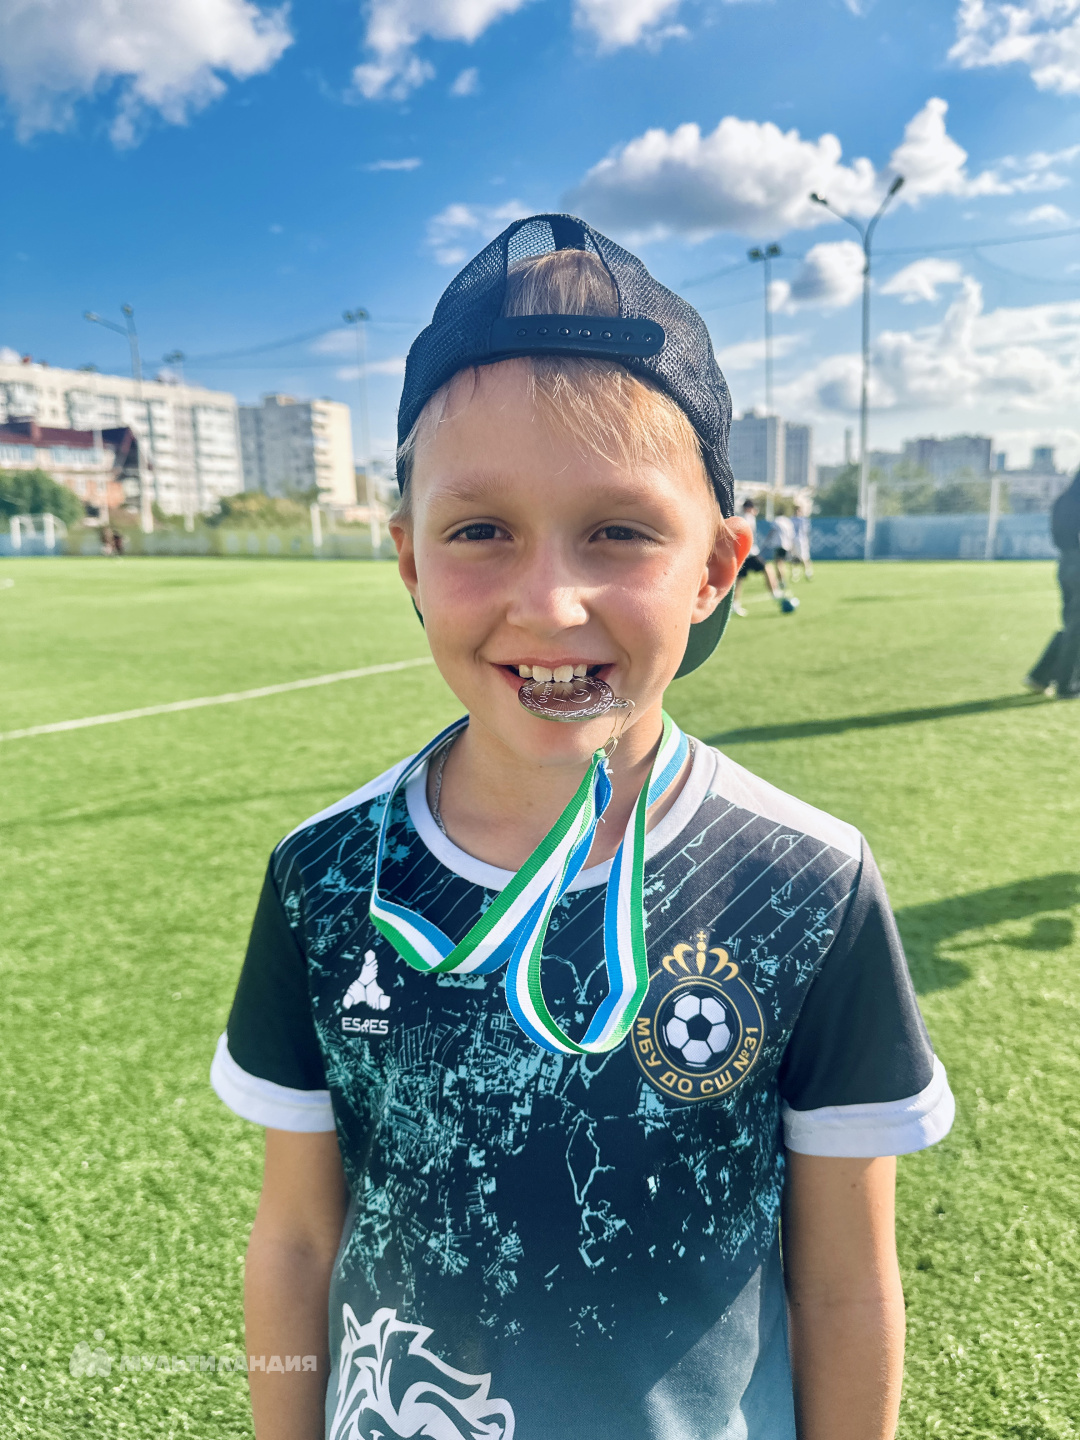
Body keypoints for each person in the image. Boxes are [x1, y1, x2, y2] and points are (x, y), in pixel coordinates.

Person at [211, 215, 954, 1440]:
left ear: (716, 567)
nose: (550, 603)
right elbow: (296, 1238)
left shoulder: (806, 885)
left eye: (618, 530)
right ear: (408, 560)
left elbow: (843, 1282)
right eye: (479, 531)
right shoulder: (324, 878)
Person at [1025, 468, 1080, 699]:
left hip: (1066, 563)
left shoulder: (1063, 500)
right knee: (1076, 629)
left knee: (1072, 625)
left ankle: (1040, 676)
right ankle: (1067, 685)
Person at [732, 496, 780, 615]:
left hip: (741, 554)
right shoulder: (748, 517)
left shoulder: (740, 517)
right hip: (750, 554)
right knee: (767, 568)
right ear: (749, 508)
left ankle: (735, 604)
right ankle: (774, 592)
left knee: (739, 579)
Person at [765, 508, 796, 591]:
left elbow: (772, 532)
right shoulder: (788, 522)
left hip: (779, 544)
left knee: (778, 563)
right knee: (782, 563)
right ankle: (783, 579)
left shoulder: (776, 521)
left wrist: (767, 541)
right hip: (787, 545)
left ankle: (781, 580)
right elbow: (792, 534)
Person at [791, 499, 814, 580]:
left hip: (801, 540)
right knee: (794, 557)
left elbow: (806, 531)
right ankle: (795, 573)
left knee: (804, 557)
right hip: (793, 540)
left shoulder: (803, 520)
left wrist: (807, 541)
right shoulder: (792, 519)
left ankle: (808, 572)